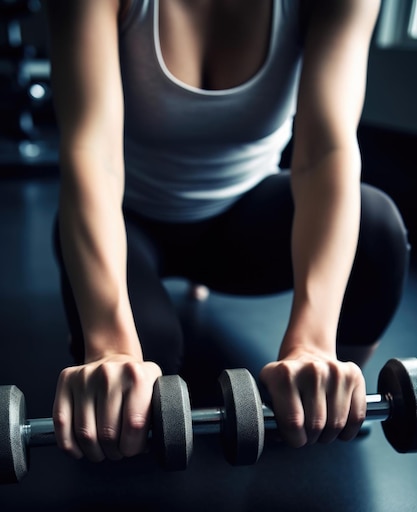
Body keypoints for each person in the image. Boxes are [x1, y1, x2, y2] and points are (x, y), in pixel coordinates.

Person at [45, 0, 409, 463]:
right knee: (136, 392)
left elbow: (325, 153)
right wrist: (110, 349)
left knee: (378, 227)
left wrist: (312, 344)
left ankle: (332, 388)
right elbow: (91, 153)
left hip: (243, 220)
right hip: (129, 222)